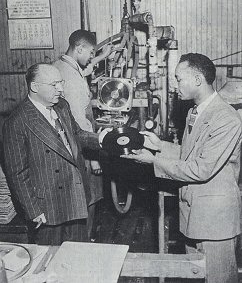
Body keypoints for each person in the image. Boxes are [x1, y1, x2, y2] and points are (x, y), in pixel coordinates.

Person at [122, 53, 242, 283]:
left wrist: (153, 161)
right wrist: (160, 146)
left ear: (198, 79)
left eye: (179, 79)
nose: (175, 86)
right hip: (193, 215)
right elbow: (190, 155)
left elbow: (201, 168)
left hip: (215, 222)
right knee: (195, 277)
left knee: (218, 279)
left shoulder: (226, 119)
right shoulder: (195, 112)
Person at [2, 63, 107, 246]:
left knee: (76, 255)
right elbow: (17, 174)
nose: (60, 89)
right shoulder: (17, 122)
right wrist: (33, 210)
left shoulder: (62, 106)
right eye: (54, 84)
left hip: (75, 197)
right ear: (35, 87)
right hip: (47, 208)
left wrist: (102, 139)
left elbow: (77, 135)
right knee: (49, 262)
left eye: (61, 82)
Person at [53, 30, 113, 238]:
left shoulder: (60, 66)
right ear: (79, 48)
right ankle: (84, 243)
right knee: (89, 198)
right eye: (90, 52)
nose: (90, 57)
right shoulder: (72, 79)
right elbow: (79, 122)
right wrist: (94, 157)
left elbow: (82, 71)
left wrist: (100, 57)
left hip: (64, 143)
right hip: (80, 147)